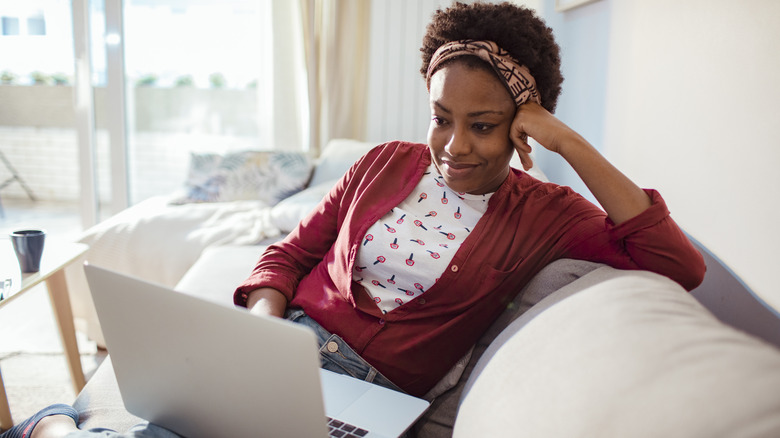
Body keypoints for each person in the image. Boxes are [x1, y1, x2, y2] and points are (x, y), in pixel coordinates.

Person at [1, 2, 704, 437]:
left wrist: (569, 143)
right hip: (278, 347)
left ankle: (57, 430)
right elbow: (290, 251)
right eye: (441, 118)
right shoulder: (383, 162)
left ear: (524, 121)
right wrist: (263, 323)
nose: (455, 147)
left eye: (483, 126)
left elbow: (678, 264)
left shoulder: (546, 212)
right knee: (172, 422)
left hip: (371, 394)